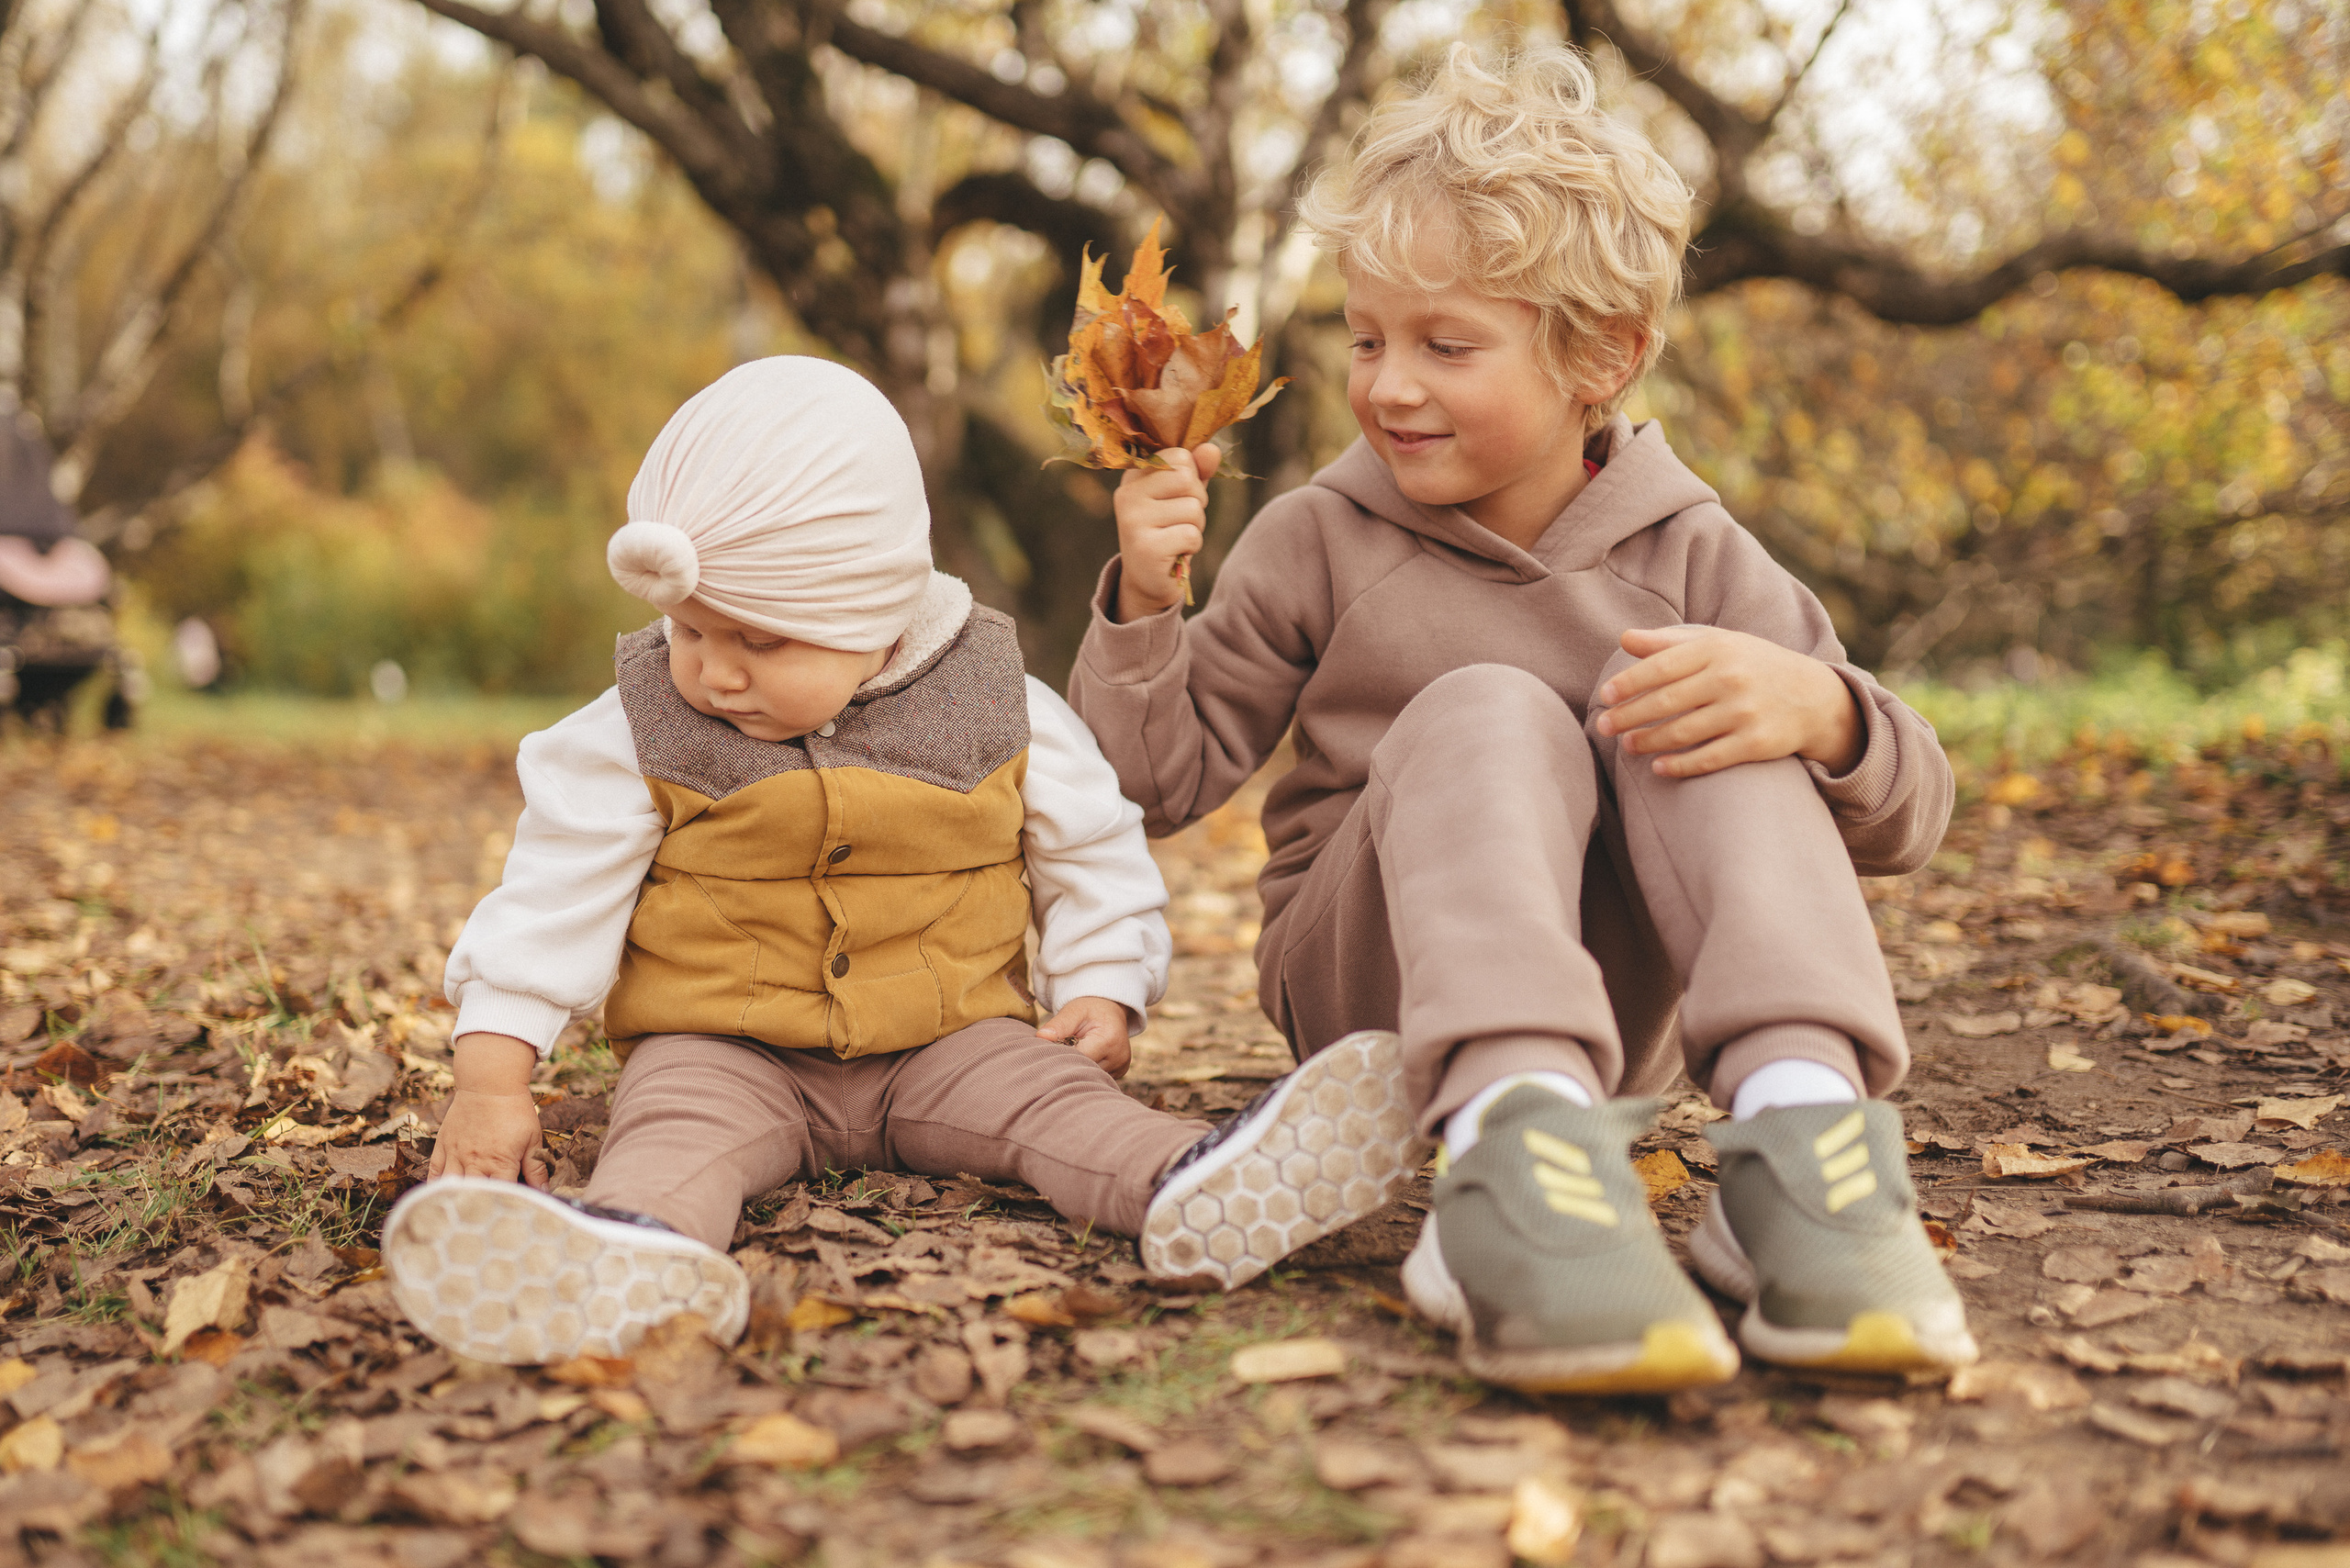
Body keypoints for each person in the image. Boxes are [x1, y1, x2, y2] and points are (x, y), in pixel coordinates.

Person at [1069, 44, 1976, 1394]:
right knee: (1493, 709)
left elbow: (1910, 814)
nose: (1389, 386)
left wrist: (1821, 713)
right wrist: (1149, 598)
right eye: (1368, 339)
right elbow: (1144, 781)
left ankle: (1804, 1152)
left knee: (1713, 701)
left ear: (1598, 357)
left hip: (1618, 1010)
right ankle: (1510, 1159)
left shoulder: (1691, 551)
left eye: (1447, 345)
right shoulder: (1319, 538)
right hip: (1376, 978)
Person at [381, 358, 1424, 1366]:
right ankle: (630, 1257)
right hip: (724, 1045)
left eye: (760, 640)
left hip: (951, 1036)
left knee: (1060, 1108)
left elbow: (1090, 849)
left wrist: (1104, 984)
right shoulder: (642, 721)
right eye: (690, 630)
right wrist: (491, 1076)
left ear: (876, 610)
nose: (713, 669)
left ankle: (1198, 1182)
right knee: (668, 1135)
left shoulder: (996, 701)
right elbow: (552, 893)